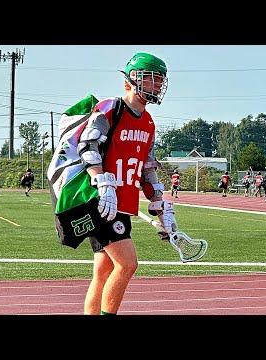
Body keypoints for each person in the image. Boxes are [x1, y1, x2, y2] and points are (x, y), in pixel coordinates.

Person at [71, 52, 176, 315]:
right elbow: (88, 145)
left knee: (103, 271)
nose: (158, 84)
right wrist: (100, 180)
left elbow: (146, 168)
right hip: (102, 201)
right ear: (133, 79)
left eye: (161, 80)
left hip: (123, 203)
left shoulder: (149, 122)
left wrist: (159, 203)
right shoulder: (110, 108)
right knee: (128, 265)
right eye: (152, 78)